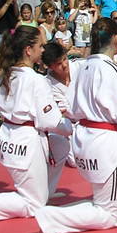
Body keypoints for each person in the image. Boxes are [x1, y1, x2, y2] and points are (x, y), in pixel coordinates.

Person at [34, 18, 117, 233]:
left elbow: (72, 109)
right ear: (115, 39)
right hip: (106, 143)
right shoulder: (110, 68)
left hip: (85, 140)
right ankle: (52, 217)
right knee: (111, 214)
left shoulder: (83, 67)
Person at [0, 26, 73, 227]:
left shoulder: (7, 74)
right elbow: (49, 121)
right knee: (34, 205)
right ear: (28, 50)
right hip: (26, 143)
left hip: (7, 138)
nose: (43, 50)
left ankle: (45, 191)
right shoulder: (36, 80)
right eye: (40, 46)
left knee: (61, 145)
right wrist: (72, 126)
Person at [41, 41, 77, 173]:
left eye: (65, 59)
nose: (64, 65)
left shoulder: (80, 67)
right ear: (50, 66)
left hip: (94, 118)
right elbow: (67, 110)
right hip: (73, 124)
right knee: (75, 161)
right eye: (58, 64)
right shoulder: (47, 83)